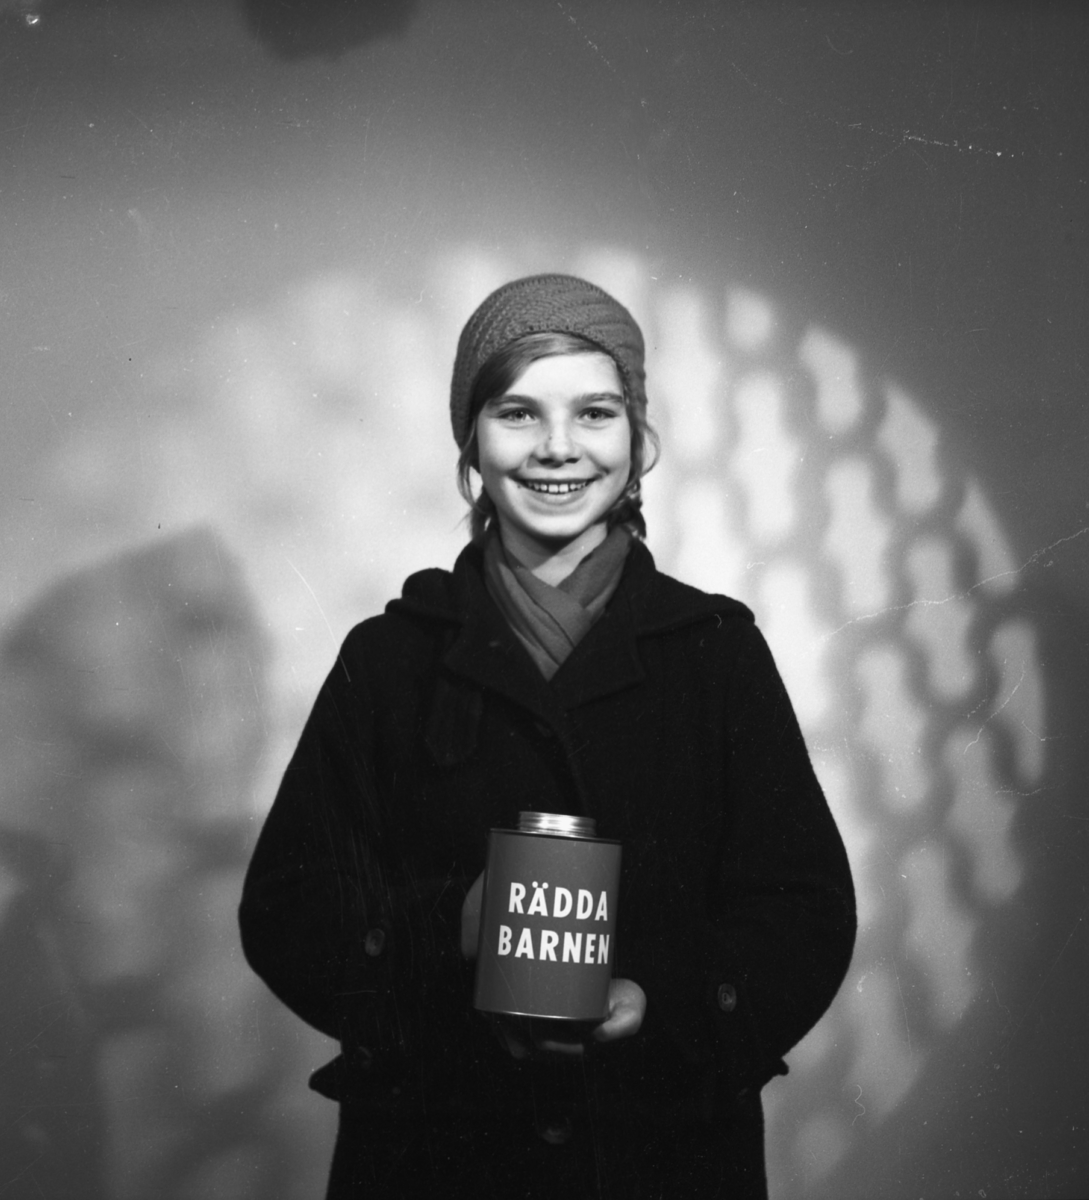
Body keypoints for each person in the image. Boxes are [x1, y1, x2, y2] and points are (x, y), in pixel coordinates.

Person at [239, 273, 857, 1198]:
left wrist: (660, 1003)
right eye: (518, 412)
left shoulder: (716, 653)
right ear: (471, 442)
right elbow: (288, 912)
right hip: (433, 1162)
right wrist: (449, 930)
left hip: (663, 1159)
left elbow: (804, 912)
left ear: (637, 439)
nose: (558, 447)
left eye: (595, 413)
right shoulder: (389, 658)